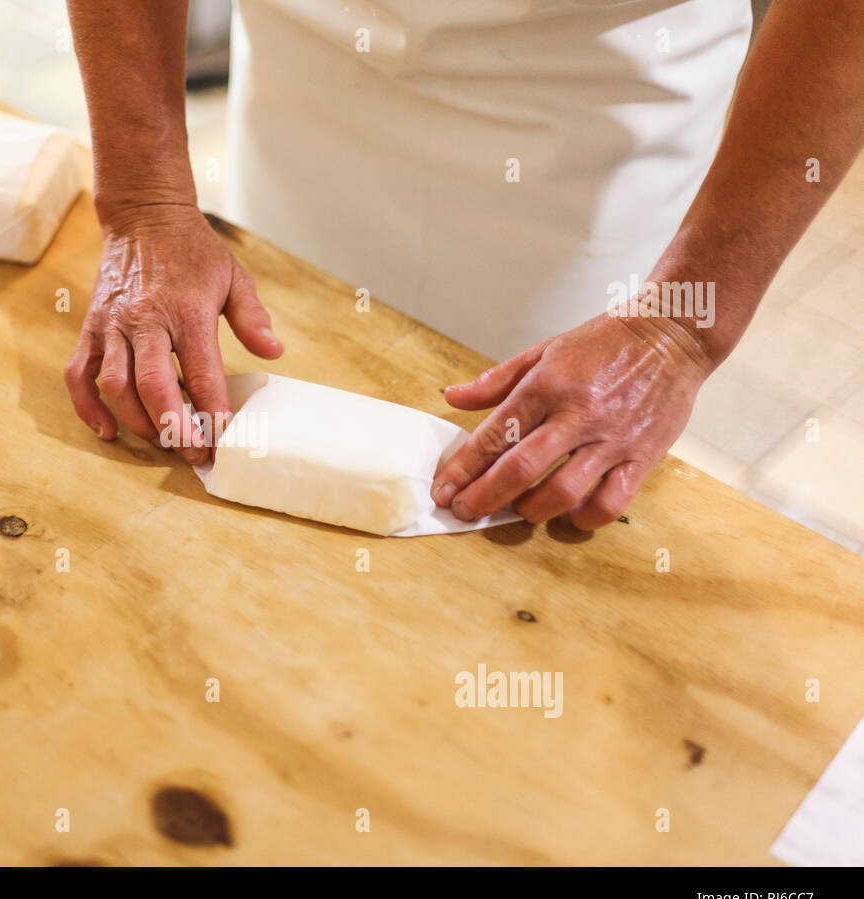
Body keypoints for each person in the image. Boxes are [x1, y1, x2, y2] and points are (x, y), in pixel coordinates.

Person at [62, 0, 864, 529]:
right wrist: (143, 197)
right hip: (304, 63)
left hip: (594, 110)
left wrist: (681, 330)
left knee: (522, 508)